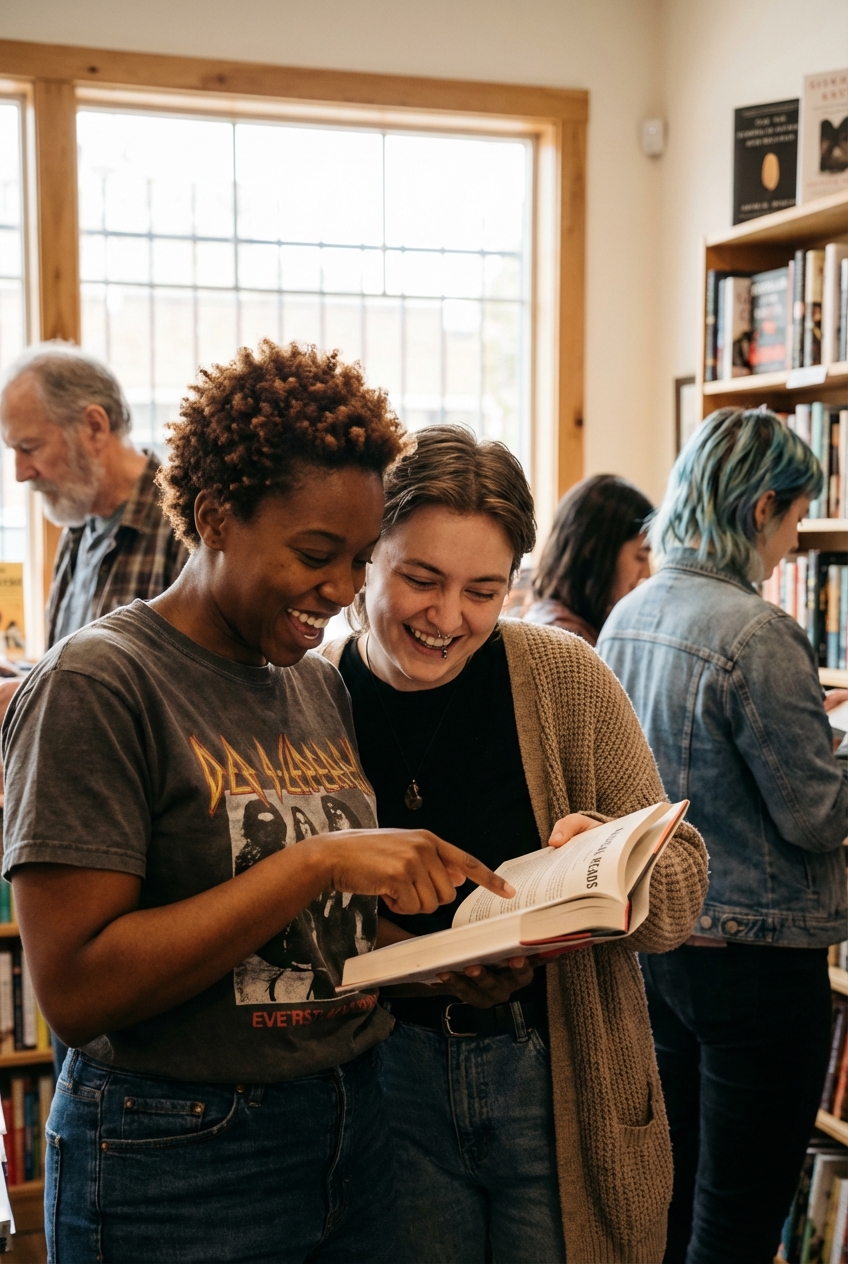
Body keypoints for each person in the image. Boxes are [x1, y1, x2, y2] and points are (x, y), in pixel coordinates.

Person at [0, 343, 514, 1264]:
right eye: (316, 555)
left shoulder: (313, 686)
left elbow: (306, 946)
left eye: (359, 559)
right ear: (215, 517)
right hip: (180, 1153)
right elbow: (76, 992)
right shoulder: (100, 684)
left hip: (353, 1129)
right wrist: (314, 861)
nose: (341, 590)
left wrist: (438, 962)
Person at [320, 424, 709, 1264]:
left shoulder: (563, 676)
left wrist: (620, 857)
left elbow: (683, 886)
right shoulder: (310, 693)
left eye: (484, 591)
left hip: (557, 1079)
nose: (448, 618)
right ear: (366, 560)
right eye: (420, 579)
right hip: (385, 1084)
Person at [597, 407, 848, 1264]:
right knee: (740, 1215)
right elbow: (815, 816)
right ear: (759, 509)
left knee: (666, 1194)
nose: (790, 547)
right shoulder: (759, 631)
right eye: (794, 521)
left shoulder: (627, 614)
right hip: (759, 967)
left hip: (660, 943)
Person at [0, 340, 190, 1075]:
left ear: (92, 426)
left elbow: (197, 688)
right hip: (78, 841)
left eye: (29, 447)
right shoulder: (76, 533)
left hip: (151, 870)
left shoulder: (186, 520)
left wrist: (26, 694)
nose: (20, 472)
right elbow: (72, 667)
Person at [524, 473, 653, 645]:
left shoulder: (557, 620)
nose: (648, 573)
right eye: (640, 556)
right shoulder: (563, 639)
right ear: (594, 550)